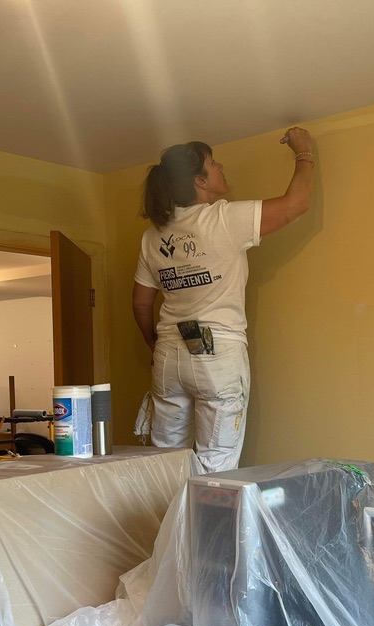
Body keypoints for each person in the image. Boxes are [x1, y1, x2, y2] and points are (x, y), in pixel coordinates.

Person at [132, 127, 315, 472]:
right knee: (215, 465)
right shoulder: (222, 218)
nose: (221, 167)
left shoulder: (152, 236)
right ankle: (201, 511)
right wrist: (304, 153)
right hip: (216, 353)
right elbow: (296, 204)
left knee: (165, 461)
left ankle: (165, 510)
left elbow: (141, 304)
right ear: (200, 180)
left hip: (169, 352)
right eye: (213, 164)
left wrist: (154, 344)